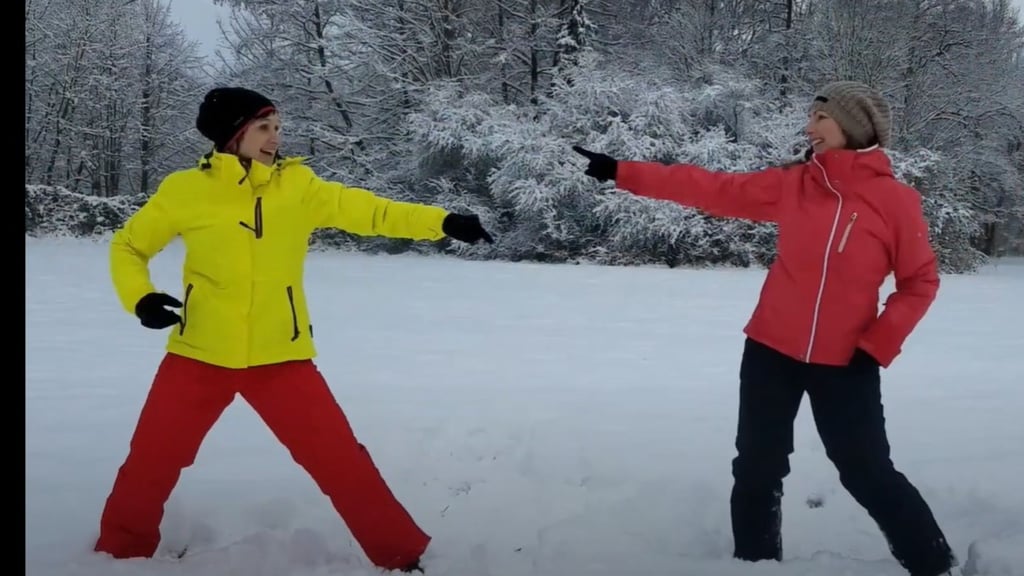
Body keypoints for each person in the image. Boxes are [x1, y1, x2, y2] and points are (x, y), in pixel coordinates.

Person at [94, 86, 494, 572]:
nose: (275, 138)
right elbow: (128, 247)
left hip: (280, 355)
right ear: (233, 134)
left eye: (278, 127)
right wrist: (141, 297)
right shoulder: (185, 190)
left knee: (340, 460)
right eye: (263, 127)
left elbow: (371, 210)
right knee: (151, 459)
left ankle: (401, 553)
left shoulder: (299, 187)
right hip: (199, 353)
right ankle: (118, 554)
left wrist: (442, 221)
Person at [573, 81, 958, 576]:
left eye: (820, 118)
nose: (809, 127)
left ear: (852, 125)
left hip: (848, 361)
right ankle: (754, 565)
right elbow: (712, 188)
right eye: (810, 117)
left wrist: (878, 344)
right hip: (770, 350)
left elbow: (919, 282)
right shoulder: (794, 184)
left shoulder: (896, 202)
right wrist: (623, 172)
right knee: (757, 466)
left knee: (867, 472)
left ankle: (936, 566)